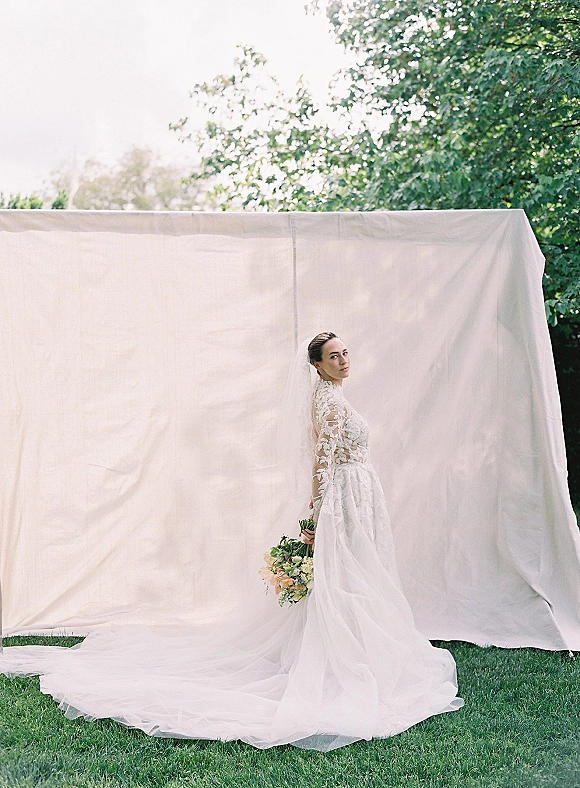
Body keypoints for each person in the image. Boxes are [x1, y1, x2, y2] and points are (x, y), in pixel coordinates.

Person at [0, 333, 463, 751]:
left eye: (345, 353)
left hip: (354, 496)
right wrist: (315, 518)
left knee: (351, 578)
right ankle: (342, 658)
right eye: (333, 357)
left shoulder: (331, 397)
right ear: (317, 366)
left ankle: (350, 650)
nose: (343, 360)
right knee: (344, 578)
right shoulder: (332, 405)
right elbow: (321, 463)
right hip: (342, 500)